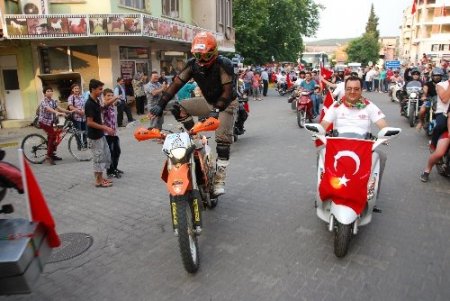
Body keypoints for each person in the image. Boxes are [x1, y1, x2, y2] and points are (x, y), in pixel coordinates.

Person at [148, 31, 238, 196]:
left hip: (226, 104)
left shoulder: (224, 63)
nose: (202, 60)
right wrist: (160, 105)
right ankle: (197, 138)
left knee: (222, 139)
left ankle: (220, 178)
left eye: (206, 55)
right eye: (198, 55)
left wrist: (216, 111)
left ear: (215, 52)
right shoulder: (192, 64)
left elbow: (227, 92)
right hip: (208, 102)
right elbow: (175, 84)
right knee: (176, 107)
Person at [84, 79, 114, 188]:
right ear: (93, 89)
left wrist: (111, 101)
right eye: (100, 89)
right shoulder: (89, 104)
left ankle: (101, 178)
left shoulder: (96, 100)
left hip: (100, 134)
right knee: (98, 159)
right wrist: (105, 127)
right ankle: (98, 181)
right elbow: (90, 122)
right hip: (94, 136)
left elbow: (101, 108)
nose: (101, 91)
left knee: (104, 157)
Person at [38, 87, 71, 165]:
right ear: (44, 93)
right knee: (52, 136)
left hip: (50, 122)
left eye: (51, 91)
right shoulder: (43, 101)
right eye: (47, 91)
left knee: (54, 137)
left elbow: (59, 108)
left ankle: (52, 154)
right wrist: (56, 112)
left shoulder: (53, 101)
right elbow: (48, 109)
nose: (49, 92)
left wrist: (69, 111)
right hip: (44, 122)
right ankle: (48, 156)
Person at [101, 88, 123, 179]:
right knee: (110, 153)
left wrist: (117, 100)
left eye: (111, 95)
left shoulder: (111, 105)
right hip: (106, 134)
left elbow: (116, 103)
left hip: (114, 133)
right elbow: (106, 104)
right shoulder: (104, 105)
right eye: (108, 95)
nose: (110, 97)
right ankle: (110, 171)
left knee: (117, 151)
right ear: (104, 96)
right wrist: (115, 98)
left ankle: (115, 168)